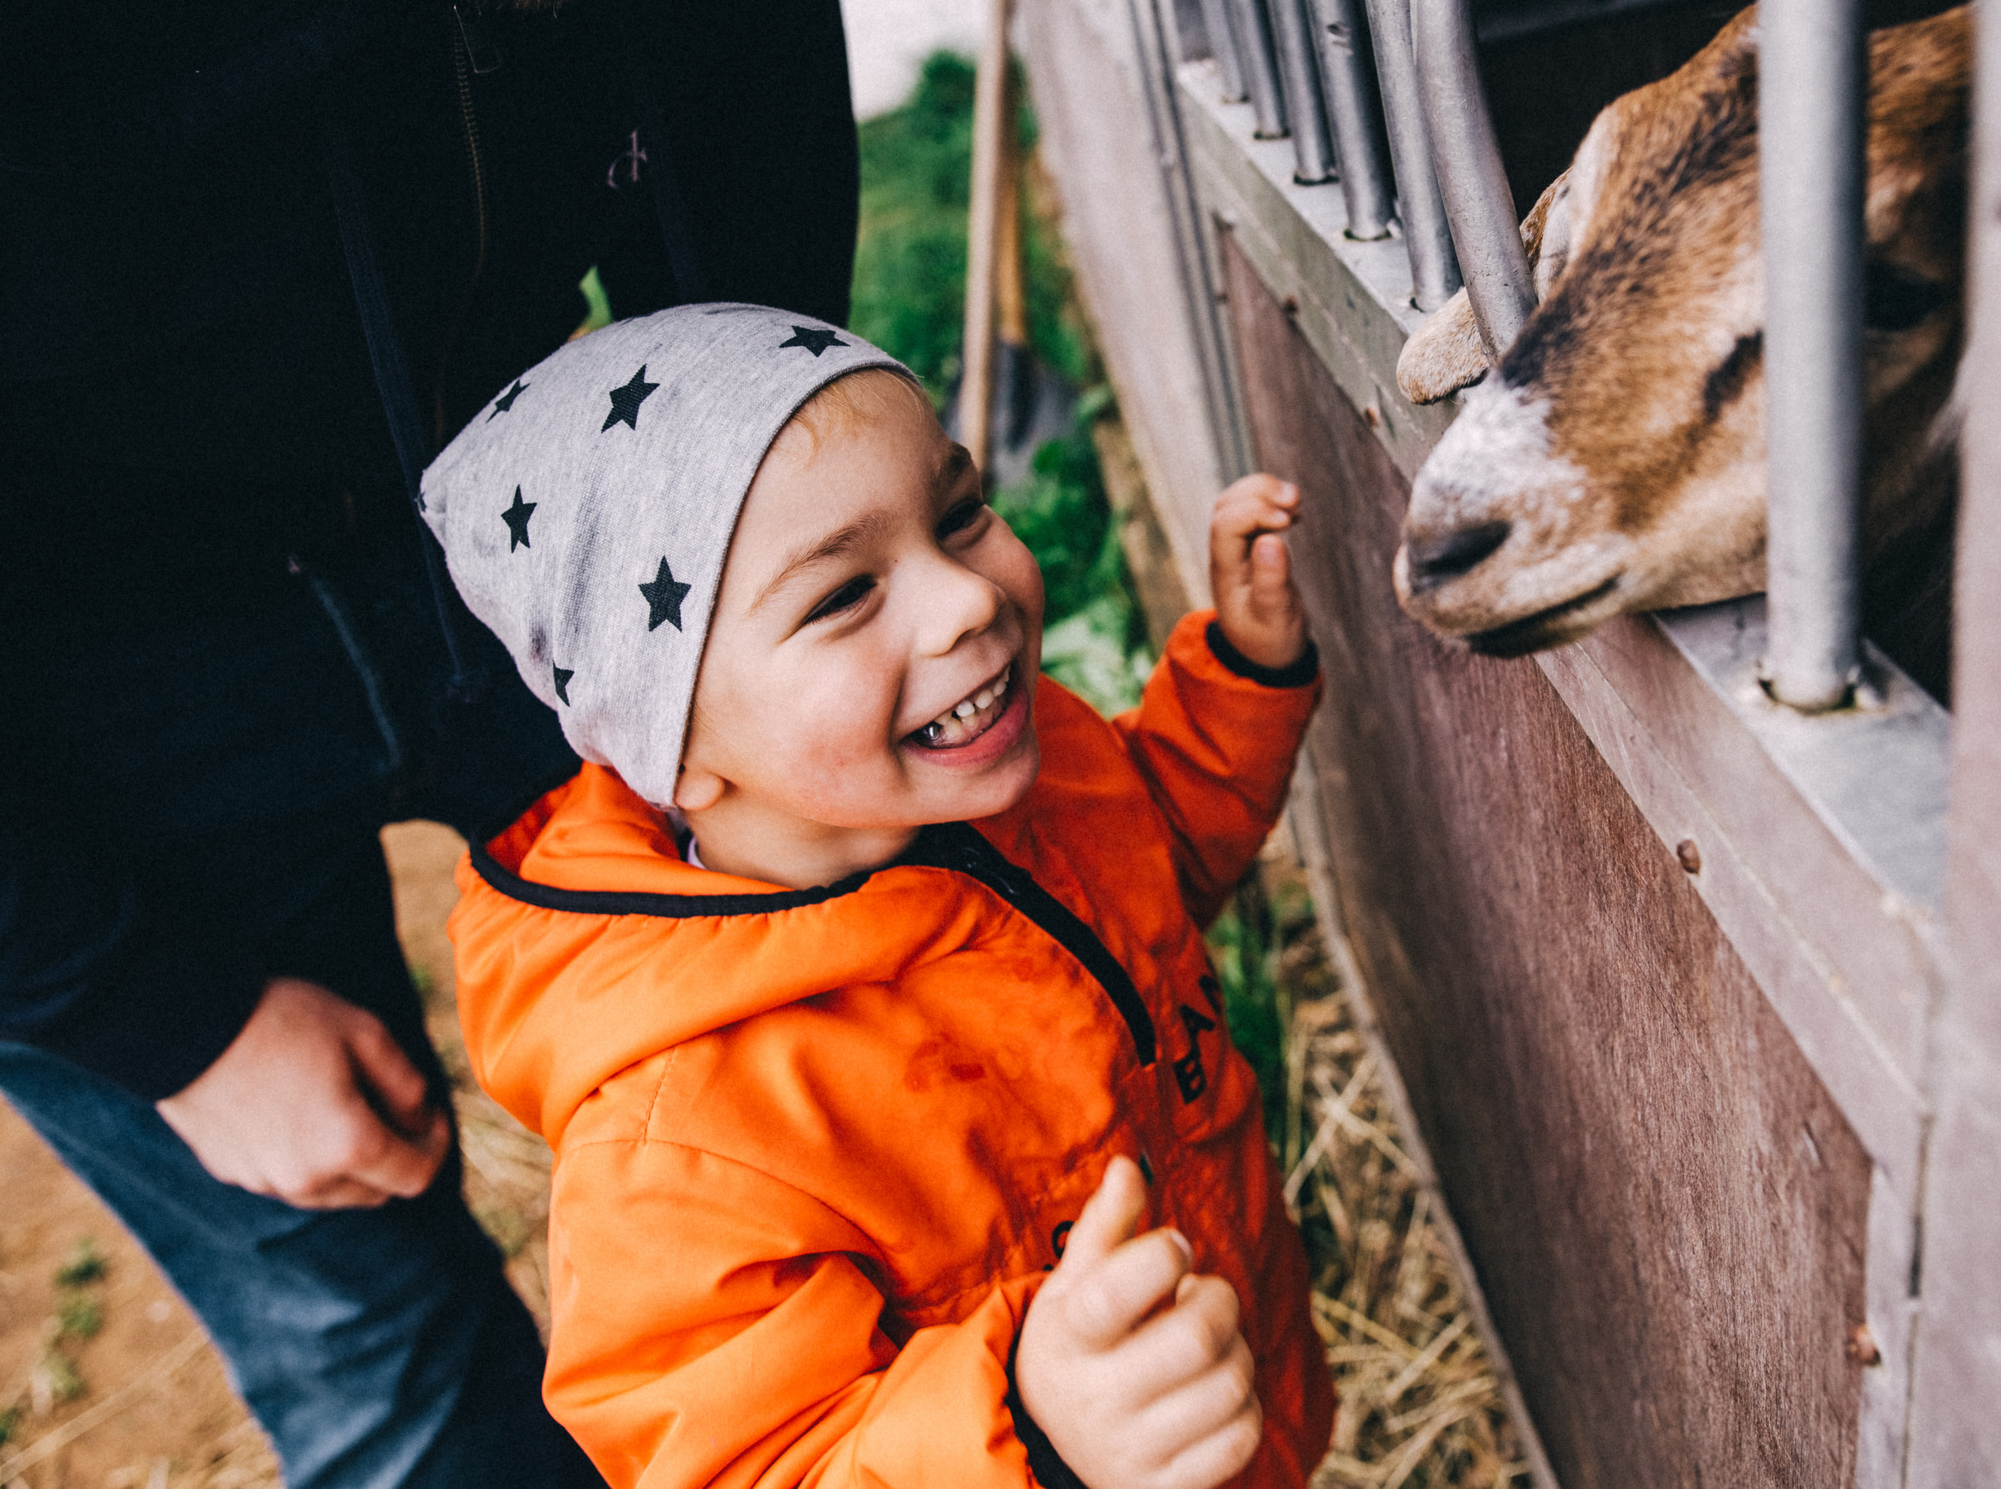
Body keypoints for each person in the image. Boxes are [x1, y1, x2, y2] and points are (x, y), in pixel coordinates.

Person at [0, 0, 855, 1481]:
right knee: (386, 1363)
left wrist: (791, 605)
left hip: (524, 524)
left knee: (864, 1087)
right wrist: (165, 1016)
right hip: (48, 699)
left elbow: (750, 189)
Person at [416, 302, 1337, 1489]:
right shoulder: (686, 1142)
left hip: (1241, 1393)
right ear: (675, 749)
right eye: (842, 595)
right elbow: (754, 1467)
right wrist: (1029, 1432)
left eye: (957, 515)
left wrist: (1242, 683)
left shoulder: (1000, 777)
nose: (964, 599)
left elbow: (1146, 858)